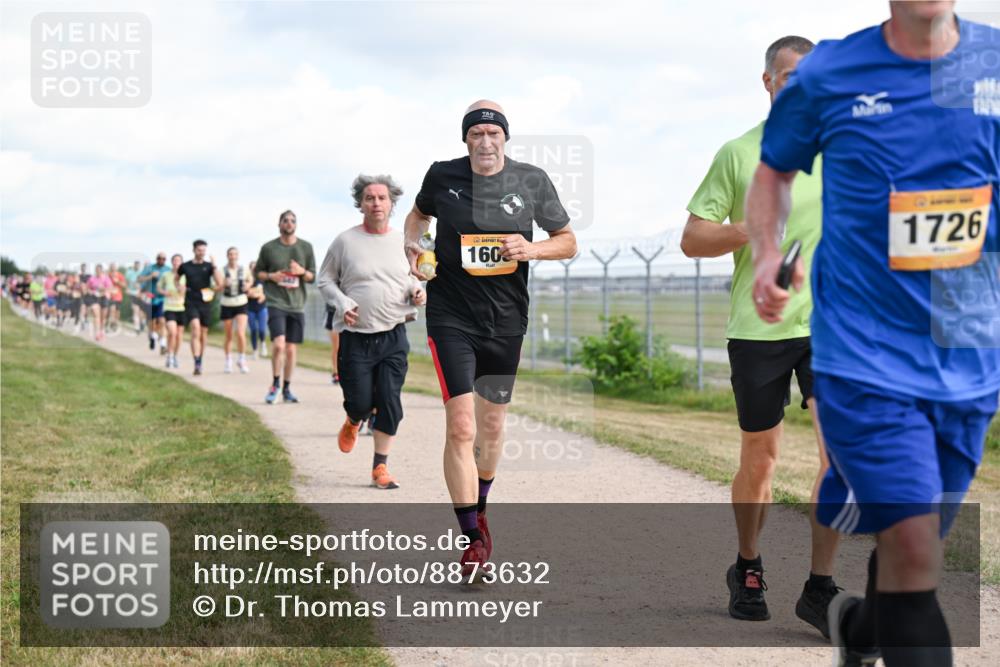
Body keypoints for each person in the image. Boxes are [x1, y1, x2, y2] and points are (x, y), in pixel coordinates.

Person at [746, 3, 999, 665]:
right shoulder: (832, 71)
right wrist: (768, 256)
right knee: (915, 547)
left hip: (968, 357)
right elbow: (774, 168)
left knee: (910, 545)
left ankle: (856, 628)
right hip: (865, 357)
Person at [681, 35, 841, 636]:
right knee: (761, 458)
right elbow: (694, 239)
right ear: (768, 82)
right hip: (760, 328)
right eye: (788, 76)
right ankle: (748, 564)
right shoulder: (738, 153)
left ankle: (820, 587)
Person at [404, 100, 577, 575]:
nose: (484, 142)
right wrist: (415, 251)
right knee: (461, 426)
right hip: (450, 316)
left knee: (492, 427)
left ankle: (480, 505)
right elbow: (417, 220)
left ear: (505, 139)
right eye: (476, 134)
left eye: (492, 134)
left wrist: (533, 248)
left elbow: (568, 240)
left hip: (505, 320)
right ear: (466, 140)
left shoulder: (531, 180)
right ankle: (472, 538)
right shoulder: (442, 176)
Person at [319, 174, 426, 490]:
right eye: (370, 198)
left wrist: (418, 292)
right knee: (361, 402)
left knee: (390, 401)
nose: (376, 203)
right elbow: (325, 281)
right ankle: (354, 419)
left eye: (382, 197)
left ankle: (380, 467)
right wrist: (341, 302)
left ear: (392, 203)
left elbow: (413, 279)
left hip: (393, 334)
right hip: (355, 337)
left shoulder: (403, 242)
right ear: (360, 204)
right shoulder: (345, 242)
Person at [255, 210, 316, 404]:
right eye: (285, 221)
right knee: (279, 344)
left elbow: (312, 276)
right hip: (275, 301)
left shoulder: (306, 247)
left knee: (290, 349)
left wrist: (301, 271)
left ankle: (287, 388)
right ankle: (275, 384)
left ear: (296, 225)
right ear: (279, 224)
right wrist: (272, 276)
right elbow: (258, 273)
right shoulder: (268, 248)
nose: (289, 223)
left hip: (296, 305)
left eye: (292, 221)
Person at [178, 240, 223, 376]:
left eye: (204, 250)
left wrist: (214, 265)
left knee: (203, 333)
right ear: (194, 250)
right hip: (191, 299)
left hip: (205, 300)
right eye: (199, 250)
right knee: (195, 329)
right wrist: (179, 286)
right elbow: (176, 278)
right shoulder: (185, 266)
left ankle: (200, 359)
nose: (202, 253)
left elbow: (220, 283)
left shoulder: (209, 266)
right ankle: (196, 361)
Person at [219, 247, 252, 374]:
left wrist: (248, 285)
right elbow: (217, 285)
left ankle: (241, 359)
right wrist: (223, 284)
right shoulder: (222, 270)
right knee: (228, 335)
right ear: (227, 256)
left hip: (241, 302)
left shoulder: (244, 269)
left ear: (238, 256)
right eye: (230, 254)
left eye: (235, 254)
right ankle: (228, 360)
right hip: (227, 303)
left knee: (240, 332)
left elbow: (250, 280)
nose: (232, 256)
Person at [158, 253, 186, 369]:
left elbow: (188, 290)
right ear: (172, 262)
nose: (176, 263)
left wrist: (183, 290)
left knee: (179, 336)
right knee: (172, 333)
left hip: (182, 308)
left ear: (181, 263)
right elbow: (159, 287)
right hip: (169, 308)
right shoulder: (166, 275)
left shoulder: (185, 276)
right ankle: (169, 356)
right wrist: (164, 292)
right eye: (174, 260)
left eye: (178, 261)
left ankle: (175, 356)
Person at [138, 255, 171, 353]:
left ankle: (163, 344)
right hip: (150, 298)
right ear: (156, 259)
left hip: (162, 299)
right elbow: (140, 279)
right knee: (152, 322)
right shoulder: (150, 268)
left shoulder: (168, 269)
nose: (161, 260)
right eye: (159, 258)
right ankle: (153, 335)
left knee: (162, 321)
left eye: (164, 258)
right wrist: (150, 276)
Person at [246, 260, 268, 359]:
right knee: (253, 330)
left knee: (262, 329)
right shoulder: (247, 281)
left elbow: (267, 293)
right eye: (252, 267)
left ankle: (263, 343)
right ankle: (255, 350)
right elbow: (246, 293)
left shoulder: (263, 281)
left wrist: (263, 296)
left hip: (262, 307)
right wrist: (252, 294)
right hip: (250, 308)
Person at [86, 264, 112, 341]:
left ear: (101, 270)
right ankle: (97, 333)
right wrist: (90, 291)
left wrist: (103, 289)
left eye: (99, 270)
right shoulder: (92, 278)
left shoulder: (106, 278)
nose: (97, 272)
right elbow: (87, 288)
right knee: (96, 315)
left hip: (104, 297)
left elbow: (110, 288)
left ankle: (102, 331)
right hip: (95, 298)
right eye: (96, 270)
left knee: (103, 317)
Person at [124, 259, 145, 333]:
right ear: (134, 265)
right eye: (136, 264)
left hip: (140, 293)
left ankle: (142, 322)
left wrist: (140, 288)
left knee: (141, 311)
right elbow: (126, 282)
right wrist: (127, 289)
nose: (137, 266)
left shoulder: (142, 273)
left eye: (138, 265)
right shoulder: (129, 273)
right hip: (132, 293)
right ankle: (137, 327)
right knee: (135, 309)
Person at [106, 262, 126, 333]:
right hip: (110, 296)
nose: (113, 268)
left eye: (114, 267)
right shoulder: (108, 275)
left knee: (117, 313)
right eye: (111, 267)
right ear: (110, 268)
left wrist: (117, 282)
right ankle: (108, 326)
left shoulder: (120, 275)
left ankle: (114, 324)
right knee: (112, 310)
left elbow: (124, 285)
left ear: (116, 268)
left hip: (118, 296)